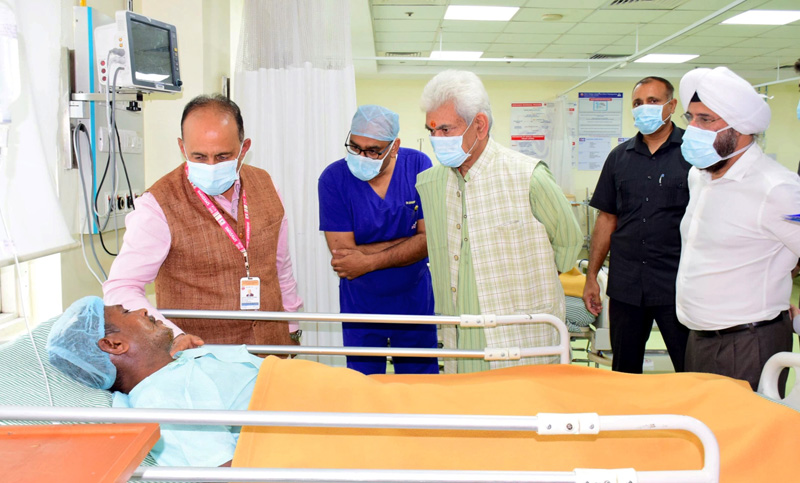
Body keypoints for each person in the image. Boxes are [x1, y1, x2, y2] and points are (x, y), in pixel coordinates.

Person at [104, 95, 303, 351]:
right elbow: (121, 288)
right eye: (198, 156)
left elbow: (280, 265)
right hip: (203, 357)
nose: (210, 166)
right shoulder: (157, 205)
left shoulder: (267, 185)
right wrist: (172, 335)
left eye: (222, 157)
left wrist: (292, 328)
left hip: (272, 347)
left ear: (244, 149)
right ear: (182, 147)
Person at [416, 70, 583, 373]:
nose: (436, 140)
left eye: (445, 129)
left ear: (479, 125)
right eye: (431, 130)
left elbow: (568, 244)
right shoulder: (431, 183)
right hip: (461, 337)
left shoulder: (527, 176)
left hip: (521, 335)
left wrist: (530, 278)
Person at [676, 66, 800, 392]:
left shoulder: (776, 187)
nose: (692, 129)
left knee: (744, 425)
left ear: (740, 127)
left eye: (706, 120)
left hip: (747, 343)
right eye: (690, 117)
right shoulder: (699, 176)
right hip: (698, 337)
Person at [46, 296, 262, 467]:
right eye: (126, 312)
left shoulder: (178, 362)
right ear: (114, 345)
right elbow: (226, 472)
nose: (143, 310)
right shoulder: (162, 400)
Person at [318, 105, 437, 375]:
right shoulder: (333, 179)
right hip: (361, 302)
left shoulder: (418, 166)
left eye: (373, 151)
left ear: (395, 147)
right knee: (363, 385)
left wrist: (367, 261)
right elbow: (344, 256)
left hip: (413, 298)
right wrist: (409, 242)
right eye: (355, 147)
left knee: (420, 385)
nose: (362, 156)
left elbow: (429, 241)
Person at [582, 77, 690, 374]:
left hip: (676, 283)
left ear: (671, 105)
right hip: (627, 285)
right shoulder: (619, 158)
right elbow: (607, 219)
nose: (645, 108)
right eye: (638, 103)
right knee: (624, 370)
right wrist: (592, 276)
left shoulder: (692, 154)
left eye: (653, 101)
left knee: (690, 366)